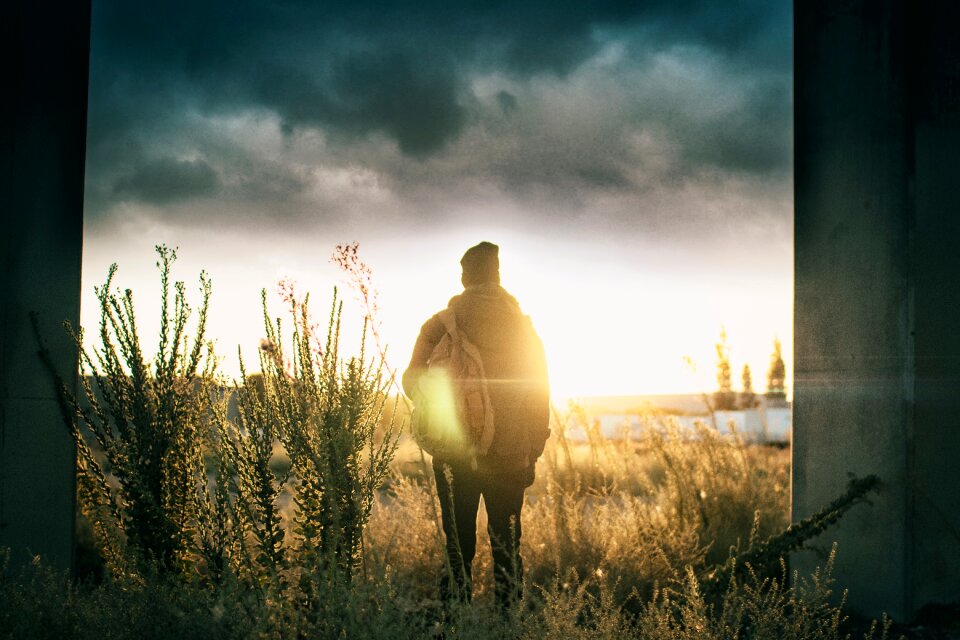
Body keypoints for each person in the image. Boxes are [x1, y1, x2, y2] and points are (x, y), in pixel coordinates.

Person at [402, 241, 550, 611]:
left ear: (464, 277)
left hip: (455, 452)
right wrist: (533, 449)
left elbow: (411, 382)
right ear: (498, 276)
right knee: (507, 547)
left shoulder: (440, 325)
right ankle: (507, 623)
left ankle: (456, 622)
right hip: (511, 455)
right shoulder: (523, 328)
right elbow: (539, 394)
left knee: (457, 547)